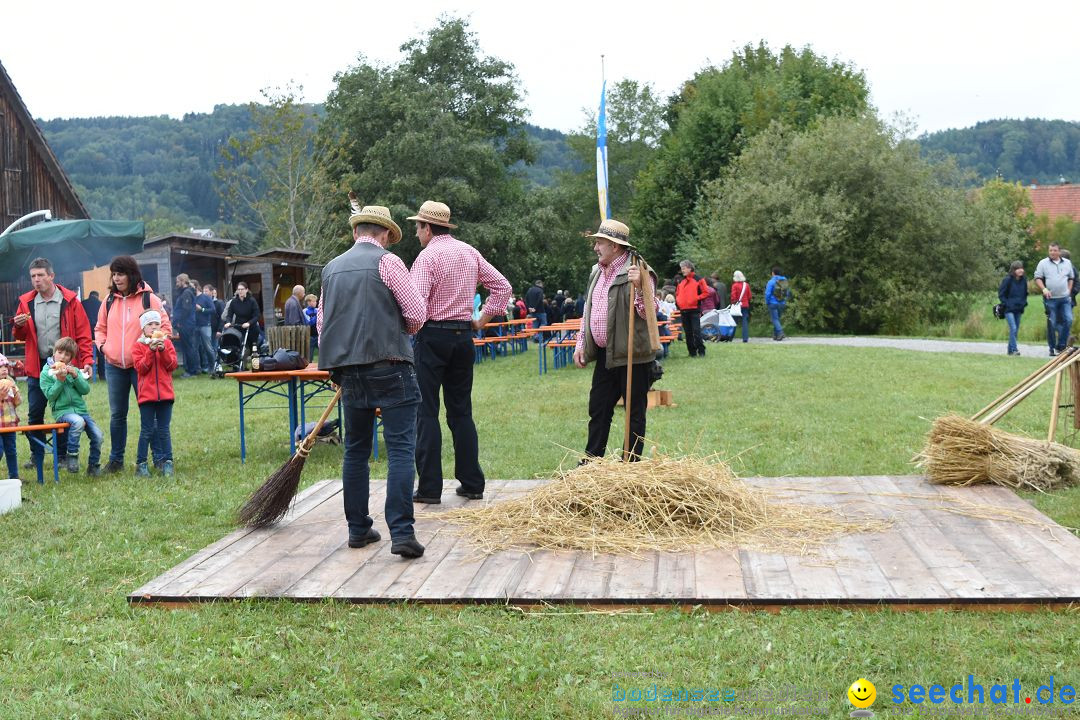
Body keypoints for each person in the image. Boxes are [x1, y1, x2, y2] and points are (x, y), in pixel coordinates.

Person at [319, 202, 427, 559]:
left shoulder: (331, 268)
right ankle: (401, 533)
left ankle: (358, 528)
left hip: (349, 372)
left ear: (355, 232)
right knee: (399, 449)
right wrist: (400, 330)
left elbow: (322, 325)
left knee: (355, 451)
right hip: (390, 365)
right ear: (384, 234)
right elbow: (415, 314)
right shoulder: (389, 262)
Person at [408, 200, 512, 504]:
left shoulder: (427, 257)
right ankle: (472, 482)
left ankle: (429, 489)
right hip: (463, 338)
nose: (416, 233)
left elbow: (415, 305)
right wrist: (482, 320)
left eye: (417, 227)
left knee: (426, 412)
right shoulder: (469, 252)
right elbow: (502, 287)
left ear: (427, 228)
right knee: (461, 411)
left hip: (432, 337)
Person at [573, 218, 657, 462]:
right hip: (604, 354)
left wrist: (640, 288)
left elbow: (649, 314)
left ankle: (630, 464)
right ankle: (591, 461)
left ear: (615, 246)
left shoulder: (639, 270)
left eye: (600, 242)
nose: (596, 247)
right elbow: (589, 309)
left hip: (633, 354)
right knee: (598, 408)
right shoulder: (597, 271)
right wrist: (581, 343)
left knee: (634, 412)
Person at [12, 257, 94, 471]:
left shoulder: (70, 300)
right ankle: (36, 454)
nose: (36, 280)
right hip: (38, 366)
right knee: (35, 414)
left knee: (66, 410)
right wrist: (18, 326)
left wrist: (86, 360)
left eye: (40, 275)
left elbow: (84, 335)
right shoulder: (26, 302)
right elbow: (20, 336)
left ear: (51, 276)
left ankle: (65, 455)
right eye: (33, 276)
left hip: (65, 365)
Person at [95, 255, 172, 473]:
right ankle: (116, 460)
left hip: (142, 365)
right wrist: (103, 347)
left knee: (150, 413)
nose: (116, 278)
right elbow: (100, 329)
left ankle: (158, 458)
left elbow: (165, 328)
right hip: (114, 366)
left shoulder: (150, 299)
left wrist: (152, 344)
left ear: (131, 274)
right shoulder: (108, 300)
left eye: (120, 274)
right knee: (117, 415)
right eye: (114, 274)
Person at [39, 337, 103, 475]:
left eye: (67, 354)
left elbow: (85, 390)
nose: (62, 357)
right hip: (62, 413)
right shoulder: (46, 373)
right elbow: (50, 395)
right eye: (60, 352)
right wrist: (60, 381)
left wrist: (76, 377)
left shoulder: (73, 370)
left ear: (71, 358)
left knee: (98, 435)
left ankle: (93, 466)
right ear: (54, 352)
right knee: (78, 422)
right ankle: (72, 456)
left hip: (81, 410)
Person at [132, 310, 177, 477]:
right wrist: (150, 351)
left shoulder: (167, 344)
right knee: (147, 430)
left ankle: (168, 463)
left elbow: (172, 366)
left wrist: (163, 350)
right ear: (143, 328)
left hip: (165, 395)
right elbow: (141, 368)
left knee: (164, 430)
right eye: (149, 324)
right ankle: (141, 464)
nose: (153, 327)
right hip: (147, 396)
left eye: (156, 324)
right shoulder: (138, 346)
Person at [1034, 243, 1075, 356]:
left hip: (1065, 298)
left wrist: (1069, 290)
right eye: (1050, 250)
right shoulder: (1043, 263)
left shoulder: (1067, 263)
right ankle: (1052, 347)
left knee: (1069, 320)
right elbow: (1037, 277)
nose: (1052, 252)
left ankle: (1061, 346)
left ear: (1059, 251)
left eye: (1054, 250)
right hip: (1050, 299)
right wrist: (1044, 289)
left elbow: (1071, 277)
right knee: (1052, 324)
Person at [675, 260, 708, 357]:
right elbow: (677, 293)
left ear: (689, 268)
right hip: (683, 310)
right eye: (681, 269)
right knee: (688, 333)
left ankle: (701, 351)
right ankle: (692, 352)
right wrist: (678, 301)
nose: (682, 270)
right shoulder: (681, 280)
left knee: (696, 331)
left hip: (694, 310)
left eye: (684, 268)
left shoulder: (698, 279)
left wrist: (696, 298)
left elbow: (706, 292)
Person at [172, 273, 200, 377]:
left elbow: (186, 309)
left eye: (178, 281)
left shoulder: (186, 293)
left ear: (183, 281)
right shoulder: (185, 292)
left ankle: (191, 371)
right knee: (188, 347)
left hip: (186, 324)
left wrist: (179, 322)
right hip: (186, 324)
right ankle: (192, 369)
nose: (177, 283)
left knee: (188, 347)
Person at [0, 354, 21, 479]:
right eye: (0, 367)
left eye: (5, 366)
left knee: (11, 451)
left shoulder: (10, 381)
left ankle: (14, 476)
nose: (4, 369)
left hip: (10, 423)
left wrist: (16, 393)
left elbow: (17, 403)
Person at [82, 290, 105, 380]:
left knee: (86, 351)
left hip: (86, 331)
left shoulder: (83, 303)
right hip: (97, 331)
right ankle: (102, 375)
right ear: (97, 296)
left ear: (90, 295)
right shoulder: (101, 304)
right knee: (100, 353)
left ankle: (85, 373)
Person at [764, 266, 790, 341]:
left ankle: (780, 333)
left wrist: (767, 301)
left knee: (775, 319)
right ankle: (776, 336)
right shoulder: (784, 280)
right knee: (777, 319)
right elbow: (787, 292)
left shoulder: (771, 282)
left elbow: (767, 293)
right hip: (782, 303)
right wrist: (784, 301)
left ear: (773, 273)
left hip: (773, 303)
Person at [195, 284, 216, 374]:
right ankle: (200, 368)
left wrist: (202, 309)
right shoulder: (192, 298)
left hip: (205, 325)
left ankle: (213, 367)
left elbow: (213, 310)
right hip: (194, 325)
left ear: (196, 287)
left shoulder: (205, 297)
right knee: (196, 348)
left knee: (208, 347)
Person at [731, 271, 752, 343]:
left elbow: (733, 297)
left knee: (733, 321)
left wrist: (733, 303)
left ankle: (731, 336)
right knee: (744, 321)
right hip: (745, 305)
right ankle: (745, 338)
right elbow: (749, 296)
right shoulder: (746, 285)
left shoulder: (735, 285)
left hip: (737, 306)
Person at [303, 293, 319, 359]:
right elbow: (308, 323)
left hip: (318, 335)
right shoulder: (305, 311)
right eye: (314, 301)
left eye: (316, 301)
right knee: (310, 356)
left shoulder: (317, 310)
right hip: (310, 336)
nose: (316, 303)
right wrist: (317, 316)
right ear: (309, 302)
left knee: (323, 355)